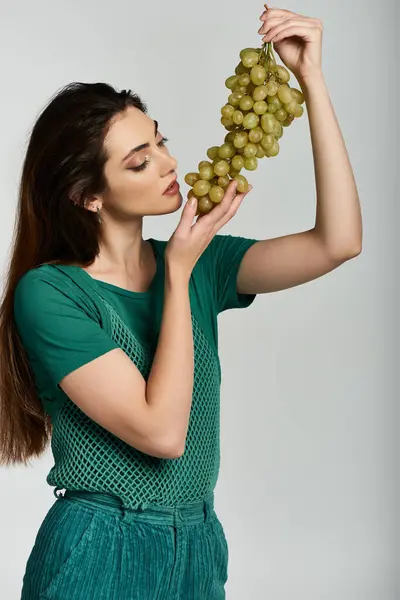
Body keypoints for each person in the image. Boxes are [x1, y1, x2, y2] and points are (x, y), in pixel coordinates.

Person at [0, 6, 362, 600]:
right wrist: (177, 271)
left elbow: (338, 241)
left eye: (160, 141)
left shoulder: (197, 263)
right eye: (139, 161)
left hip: (197, 544)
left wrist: (311, 81)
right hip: (100, 548)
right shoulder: (52, 294)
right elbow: (161, 433)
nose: (169, 164)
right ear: (87, 196)